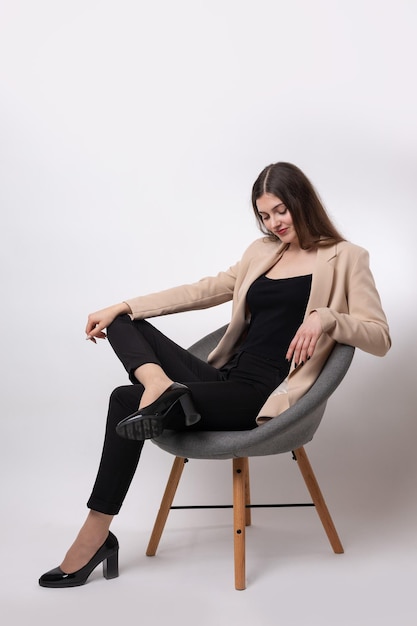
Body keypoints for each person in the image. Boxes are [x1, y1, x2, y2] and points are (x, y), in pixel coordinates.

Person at [39, 161, 391, 588]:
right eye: (264, 215)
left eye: (281, 210)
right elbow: (202, 290)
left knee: (121, 399)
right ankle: (157, 385)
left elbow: (379, 337)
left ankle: (94, 536)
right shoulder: (261, 252)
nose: (274, 223)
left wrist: (327, 318)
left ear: (301, 201)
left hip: (260, 396)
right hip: (223, 380)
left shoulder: (347, 257)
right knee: (122, 322)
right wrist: (125, 305)